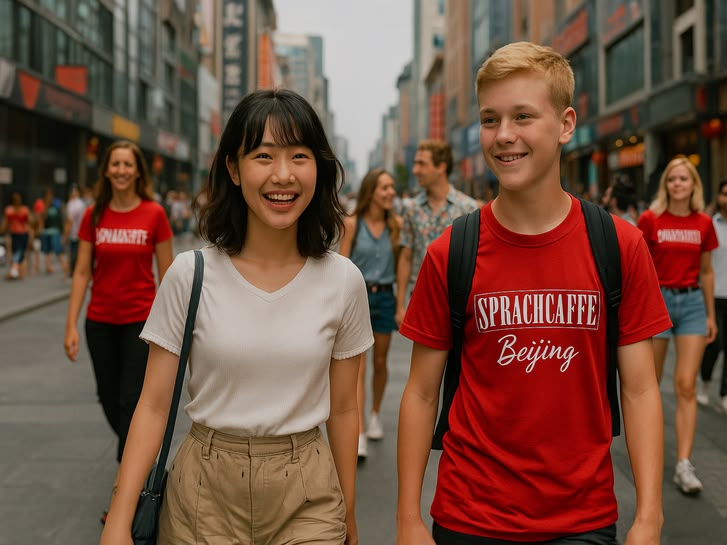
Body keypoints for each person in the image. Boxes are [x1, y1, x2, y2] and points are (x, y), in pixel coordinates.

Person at [397, 41, 670, 545]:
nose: (504, 136)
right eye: (490, 119)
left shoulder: (619, 245)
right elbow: (419, 392)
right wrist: (408, 520)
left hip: (582, 521)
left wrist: (649, 516)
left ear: (566, 124)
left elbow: (640, 388)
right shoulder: (451, 251)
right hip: (467, 516)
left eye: (523, 116)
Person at [99, 89, 372, 545]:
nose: (282, 175)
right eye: (263, 155)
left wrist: (349, 511)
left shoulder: (343, 280)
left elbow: (344, 409)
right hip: (203, 493)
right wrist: (119, 521)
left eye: (299, 156)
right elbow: (152, 405)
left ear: (319, 169)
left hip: (308, 493)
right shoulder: (190, 274)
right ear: (233, 168)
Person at [64, 140, 174, 470]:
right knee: (109, 399)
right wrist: (71, 324)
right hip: (99, 322)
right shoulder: (92, 214)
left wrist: (173, 327)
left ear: (138, 171)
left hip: (141, 321)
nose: (121, 171)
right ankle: (140, 456)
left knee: (130, 401)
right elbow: (82, 271)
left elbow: (168, 275)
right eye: (115, 165)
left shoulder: (154, 213)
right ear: (107, 171)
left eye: (128, 165)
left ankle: (125, 484)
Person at [638, 156, 719, 495]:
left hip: (691, 306)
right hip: (657, 302)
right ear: (666, 185)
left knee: (686, 385)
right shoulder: (651, 219)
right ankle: (649, 455)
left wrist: (710, 314)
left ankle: (684, 464)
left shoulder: (703, 223)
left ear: (693, 185)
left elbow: (706, 271)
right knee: (650, 386)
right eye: (672, 179)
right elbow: (639, 266)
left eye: (684, 179)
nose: (677, 184)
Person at [339, 168, 402, 459]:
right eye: (385, 188)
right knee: (359, 367)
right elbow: (341, 264)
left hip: (385, 298)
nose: (391, 193)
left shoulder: (396, 226)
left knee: (380, 362)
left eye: (392, 188)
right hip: (357, 298)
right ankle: (360, 431)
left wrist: (401, 304)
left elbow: (402, 266)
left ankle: (375, 413)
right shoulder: (352, 224)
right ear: (371, 192)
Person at [395, 140, 479, 326]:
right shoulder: (412, 209)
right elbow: (406, 256)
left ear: (441, 167)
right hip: (423, 299)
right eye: (415, 163)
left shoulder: (468, 208)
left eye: (421, 164)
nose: (415, 170)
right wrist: (400, 305)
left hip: (460, 300)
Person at [698, 179, 727, 411]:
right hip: (715, 294)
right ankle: (706, 383)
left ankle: (725, 392)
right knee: (714, 345)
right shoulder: (710, 225)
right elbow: (705, 265)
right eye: (724, 194)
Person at [0, 191, 32, 280]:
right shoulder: (9, 210)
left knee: (19, 252)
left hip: (23, 233)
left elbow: (29, 222)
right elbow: (5, 223)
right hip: (14, 233)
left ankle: (14, 271)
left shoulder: (24, 210)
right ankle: (18, 272)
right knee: (17, 252)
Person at [38, 187, 69, 275]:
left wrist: (62, 231)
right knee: (47, 251)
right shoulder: (43, 205)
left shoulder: (57, 204)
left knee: (58, 250)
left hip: (55, 231)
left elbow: (61, 218)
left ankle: (65, 267)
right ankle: (48, 266)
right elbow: (42, 219)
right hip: (46, 231)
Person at [64, 185, 88, 277]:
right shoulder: (81, 203)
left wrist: (65, 235)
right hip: (80, 233)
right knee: (79, 253)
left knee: (74, 254)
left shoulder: (73, 204)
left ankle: (74, 271)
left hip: (75, 233)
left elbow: (69, 221)